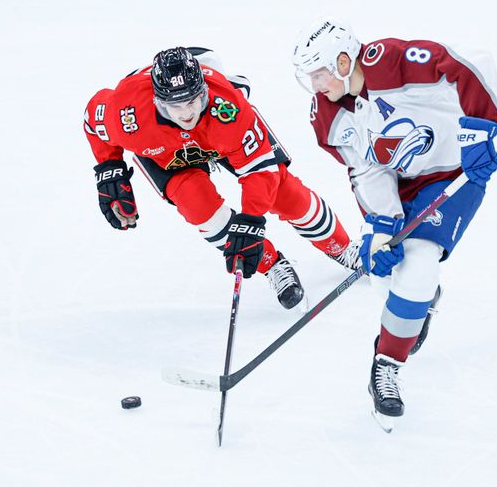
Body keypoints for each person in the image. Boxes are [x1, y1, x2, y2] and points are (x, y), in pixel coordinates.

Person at [291, 18, 497, 428]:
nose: (315, 85)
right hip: (398, 186)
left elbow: (474, 64)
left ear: (341, 60)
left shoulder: (393, 62)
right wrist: (380, 227)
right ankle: (419, 302)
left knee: (419, 264)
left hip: (452, 175)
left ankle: (385, 364)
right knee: (387, 279)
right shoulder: (328, 116)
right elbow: (367, 171)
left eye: (318, 73)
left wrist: (479, 131)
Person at [83, 46, 361, 310]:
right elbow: (92, 118)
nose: (187, 114)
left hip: (216, 134)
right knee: (199, 209)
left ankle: (341, 247)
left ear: (204, 90)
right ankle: (272, 264)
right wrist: (110, 168)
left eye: (193, 101)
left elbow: (260, 171)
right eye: (174, 107)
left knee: (286, 195)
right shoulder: (126, 113)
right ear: (157, 102)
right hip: (164, 153)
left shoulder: (229, 108)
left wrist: (251, 220)